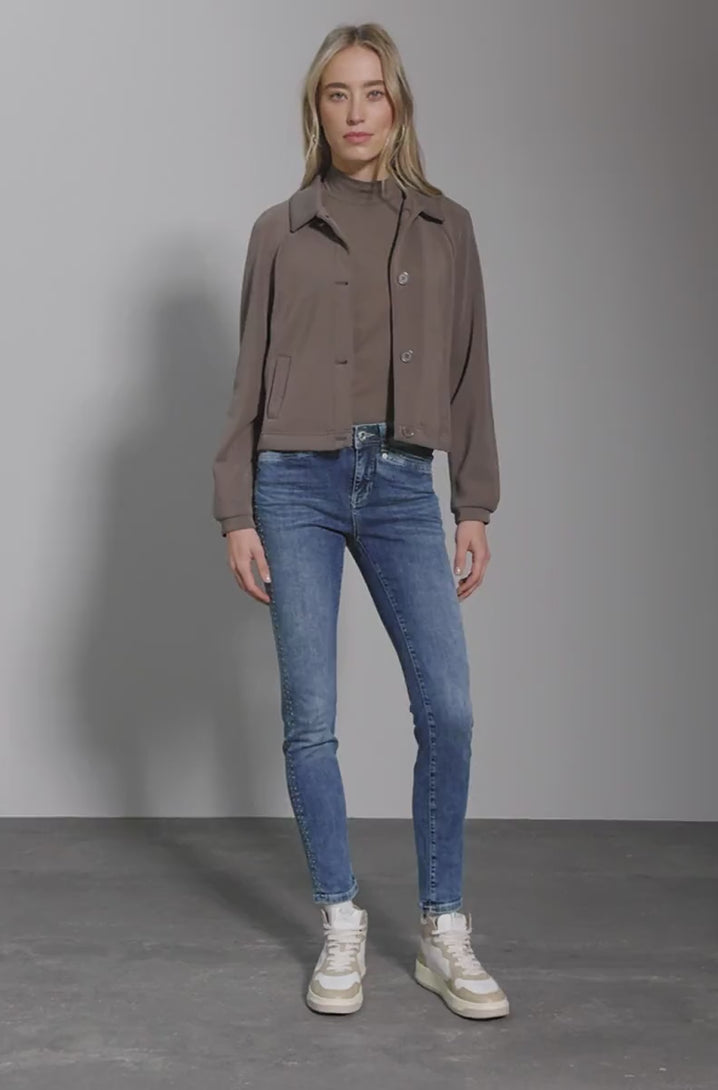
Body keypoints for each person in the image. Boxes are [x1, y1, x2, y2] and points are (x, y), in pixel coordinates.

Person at [211, 22, 509, 1021]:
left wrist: (473, 501)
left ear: (397, 106)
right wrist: (235, 507)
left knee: (448, 709)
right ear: (317, 109)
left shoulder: (446, 227)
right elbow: (248, 375)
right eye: (336, 94)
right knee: (310, 717)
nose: (354, 112)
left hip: (401, 481)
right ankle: (339, 919)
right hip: (291, 482)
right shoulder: (279, 230)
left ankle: (441, 928)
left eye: (371, 92)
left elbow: (469, 372)